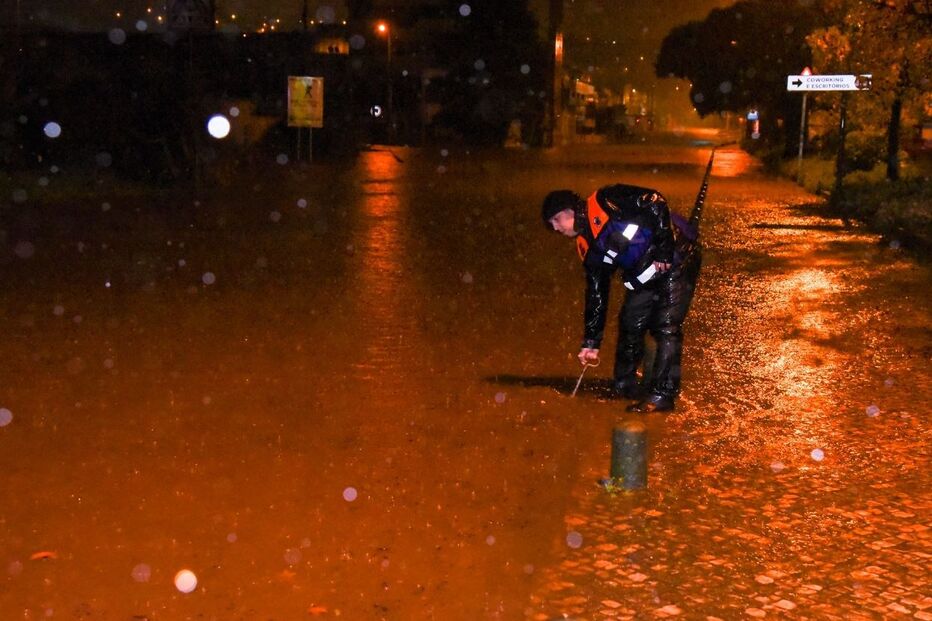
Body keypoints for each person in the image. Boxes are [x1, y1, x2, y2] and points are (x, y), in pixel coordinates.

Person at [541, 185, 702, 412]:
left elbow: (655, 201)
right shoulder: (587, 248)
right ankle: (624, 384)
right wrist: (591, 342)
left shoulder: (608, 199)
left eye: (557, 220)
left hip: (678, 257)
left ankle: (663, 395)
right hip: (644, 273)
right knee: (630, 322)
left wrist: (665, 249)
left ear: (571, 210)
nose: (556, 228)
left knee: (665, 327)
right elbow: (597, 293)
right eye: (551, 225)